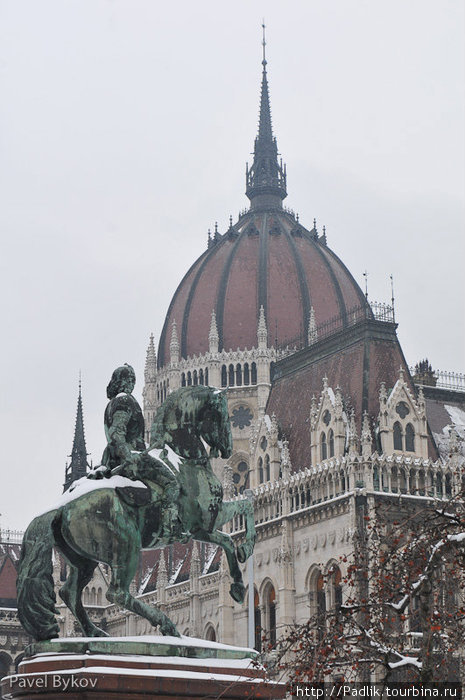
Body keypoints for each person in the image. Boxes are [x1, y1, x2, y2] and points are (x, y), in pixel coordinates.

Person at [89, 364, 183, 541]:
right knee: (172, 482)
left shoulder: (111, 404)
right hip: (132, 459)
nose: (133, 383)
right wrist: (129, 455)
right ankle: (169, 526)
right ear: (124, 381)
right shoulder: (125, 401)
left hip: (113, 458)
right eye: (131, 379)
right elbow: (117, 433)